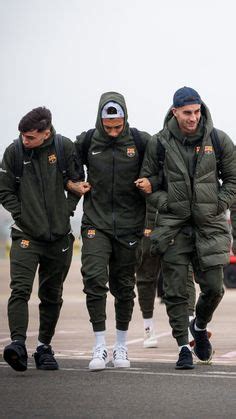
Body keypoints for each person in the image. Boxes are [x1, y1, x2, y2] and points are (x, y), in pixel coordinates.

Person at [136, 86, 236, 369]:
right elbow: (146, 183)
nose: (193, 117)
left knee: (215, 289)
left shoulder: (219, 140)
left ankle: (200, 326)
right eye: (187, 112)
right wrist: (167, 201)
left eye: (196, 111)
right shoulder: (159, 143)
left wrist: (218, 204)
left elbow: (233, 180)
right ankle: (182, 347)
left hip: (209, 225)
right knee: (176, 292)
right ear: (175, 112)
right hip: (174, 226)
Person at [67, 91, 150, 370]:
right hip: (96, 222)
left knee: (124, 287)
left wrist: (149, 183)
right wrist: (73, 185)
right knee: (93, 277)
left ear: (125, 119)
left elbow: (160, 171)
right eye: (109, 127)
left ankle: (122, 346)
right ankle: (99, 345)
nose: (113, 132)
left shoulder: (140, 141)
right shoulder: (87, 141)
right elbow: (67, 167)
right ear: (100, 119)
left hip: (130, 225)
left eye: (118, 126)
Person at [0, 107, 82, 371]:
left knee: (51, 295)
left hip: (59, 238)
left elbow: (78, 182)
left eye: (31, 137)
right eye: (22, 136)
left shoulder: (64, 147)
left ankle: (44, 347)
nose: (25, 141)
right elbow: (4, 189)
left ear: (46, 133)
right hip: (25, 235)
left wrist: (66, 210)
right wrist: (21, 214)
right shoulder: (14, 152)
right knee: (20, 290)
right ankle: (18, 344)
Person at [136, 192, 196, 348]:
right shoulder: (147, 168)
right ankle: (148, 327)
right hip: (147, 225)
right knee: (146, 277)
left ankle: (190, 324)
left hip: (177, 223)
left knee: (185, 272)